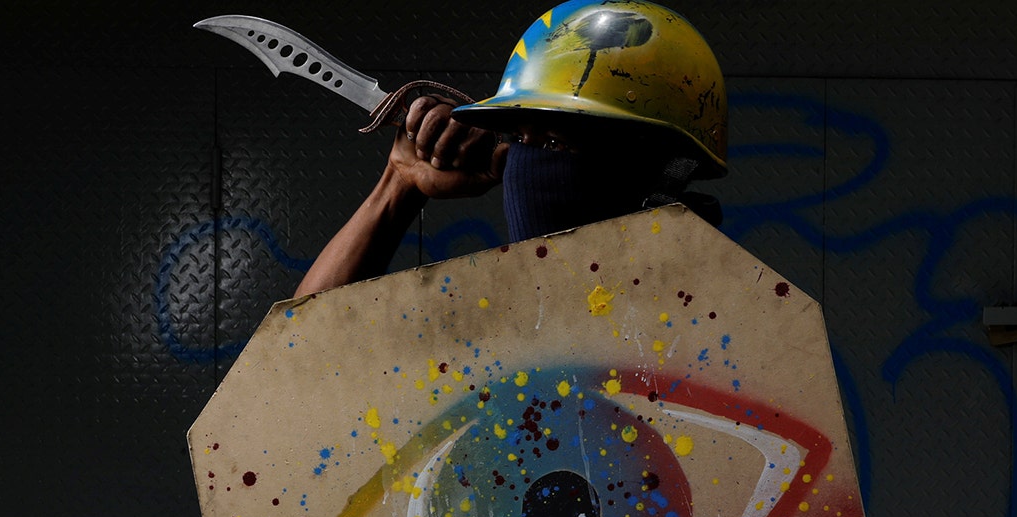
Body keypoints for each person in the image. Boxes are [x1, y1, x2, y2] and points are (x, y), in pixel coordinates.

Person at [293, 0, 726, 297]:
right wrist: (400, 185)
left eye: (555, 142)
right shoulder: (504, 315)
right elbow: (297, 356)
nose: (523, 163)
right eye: (519, 139)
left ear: (656, 164)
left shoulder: (733, 311)